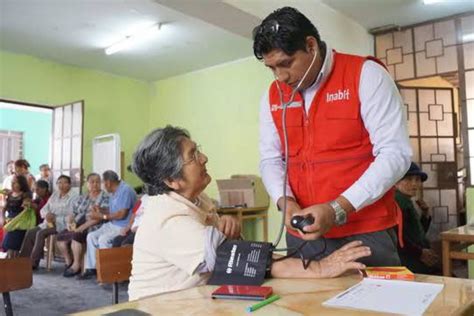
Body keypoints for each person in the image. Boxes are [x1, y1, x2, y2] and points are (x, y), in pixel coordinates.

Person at [128, 126, 370, 300]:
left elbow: (231, 251)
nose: (204, 158)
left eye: (197, 150)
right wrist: (321, 268)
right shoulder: (167, 219)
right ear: (171, 180)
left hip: (197, 299)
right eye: (193, 156)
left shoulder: (195, 200)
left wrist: (226, 228)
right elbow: (239, 261)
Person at [253, 7, 411, 265]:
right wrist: (286, 203)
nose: (280, 76)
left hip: (364, 231)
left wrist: (337, 208)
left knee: (371, 305)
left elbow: (396, 154)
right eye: (271, 68)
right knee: (306, 306)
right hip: (302, 235)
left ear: (311, 45)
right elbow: (270, 159)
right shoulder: (273, 95)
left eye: (285, 63)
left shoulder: (365, 75)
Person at [79, 170, 136, 279]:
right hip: (112, 224)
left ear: (108, 183)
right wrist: (100, 209)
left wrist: (101, 216)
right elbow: (111, 210)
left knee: (103, 239)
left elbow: (121, 215)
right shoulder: (113, 192)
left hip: (122, 226)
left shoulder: (125, 190)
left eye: (103, 183)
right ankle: (92, 268)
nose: (103, 186)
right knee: (91, 236)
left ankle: (108, 272)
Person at [57, 173, 109, 277]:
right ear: (87, 184)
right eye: (92, 182)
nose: (95, 184)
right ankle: (69, 262)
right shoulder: (83, 197)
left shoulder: (105, 197)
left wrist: (82, 227)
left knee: (76, 237)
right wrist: (70, 221)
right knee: (60, 238)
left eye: (97, 182)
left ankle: (76, 266)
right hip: (77, 224)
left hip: (93, 226)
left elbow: (99, 218)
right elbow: (73, 212)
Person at [19, 175, 78, 269]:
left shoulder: (74, 196)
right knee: (31, 232)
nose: (61, 185)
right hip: (49, 223)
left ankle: (33, 263)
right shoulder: (55, 195)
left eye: (65, 182)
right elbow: (44, 209)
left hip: (63, 225)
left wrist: (55, 218)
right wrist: (46, 215)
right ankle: (22, 261)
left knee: (40, 233)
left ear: (70, 184)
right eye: (59, 183)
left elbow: (72, 215)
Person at [395, 162, 439, 274]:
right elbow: (398, 239)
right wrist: (420, 253)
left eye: (417, 179)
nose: (414, 184)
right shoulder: (398, 203)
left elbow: (418, 233)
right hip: (407, 262)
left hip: (415, 256)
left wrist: (425, 214)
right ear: (395, 182)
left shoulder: (406, 201)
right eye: (409, 179)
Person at [1, 175, 32, 257]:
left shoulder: (26, 194)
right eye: (12, 182)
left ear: (21, 184)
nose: (12, 184)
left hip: (20, 222)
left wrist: (27, 204)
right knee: (8, 244)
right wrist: (2, 218)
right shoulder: (10, 194)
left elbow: (26, 209)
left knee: (13, 245)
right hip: (9, 221)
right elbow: (4, 208)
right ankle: (10, 262)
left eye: (15, 182)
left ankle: (11, 263)